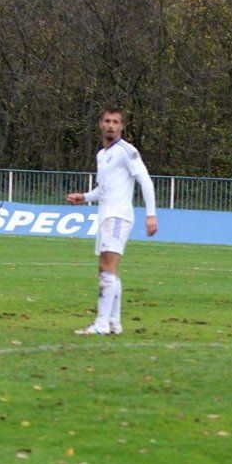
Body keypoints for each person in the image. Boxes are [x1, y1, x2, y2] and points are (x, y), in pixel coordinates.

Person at [67, 109, 158, 335]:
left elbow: (144, 180)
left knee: (106, 268)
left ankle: (100, 324)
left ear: (122, 126)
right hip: (105, 217)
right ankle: (114, 323)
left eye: (115, 122)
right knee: (110, 270)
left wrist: (151, 214)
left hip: (118, 216)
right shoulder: (102, 155)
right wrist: (85, 197)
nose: (110, 125)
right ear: (100, 124)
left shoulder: (127, 151)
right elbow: (104, 189)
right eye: (107, 121)